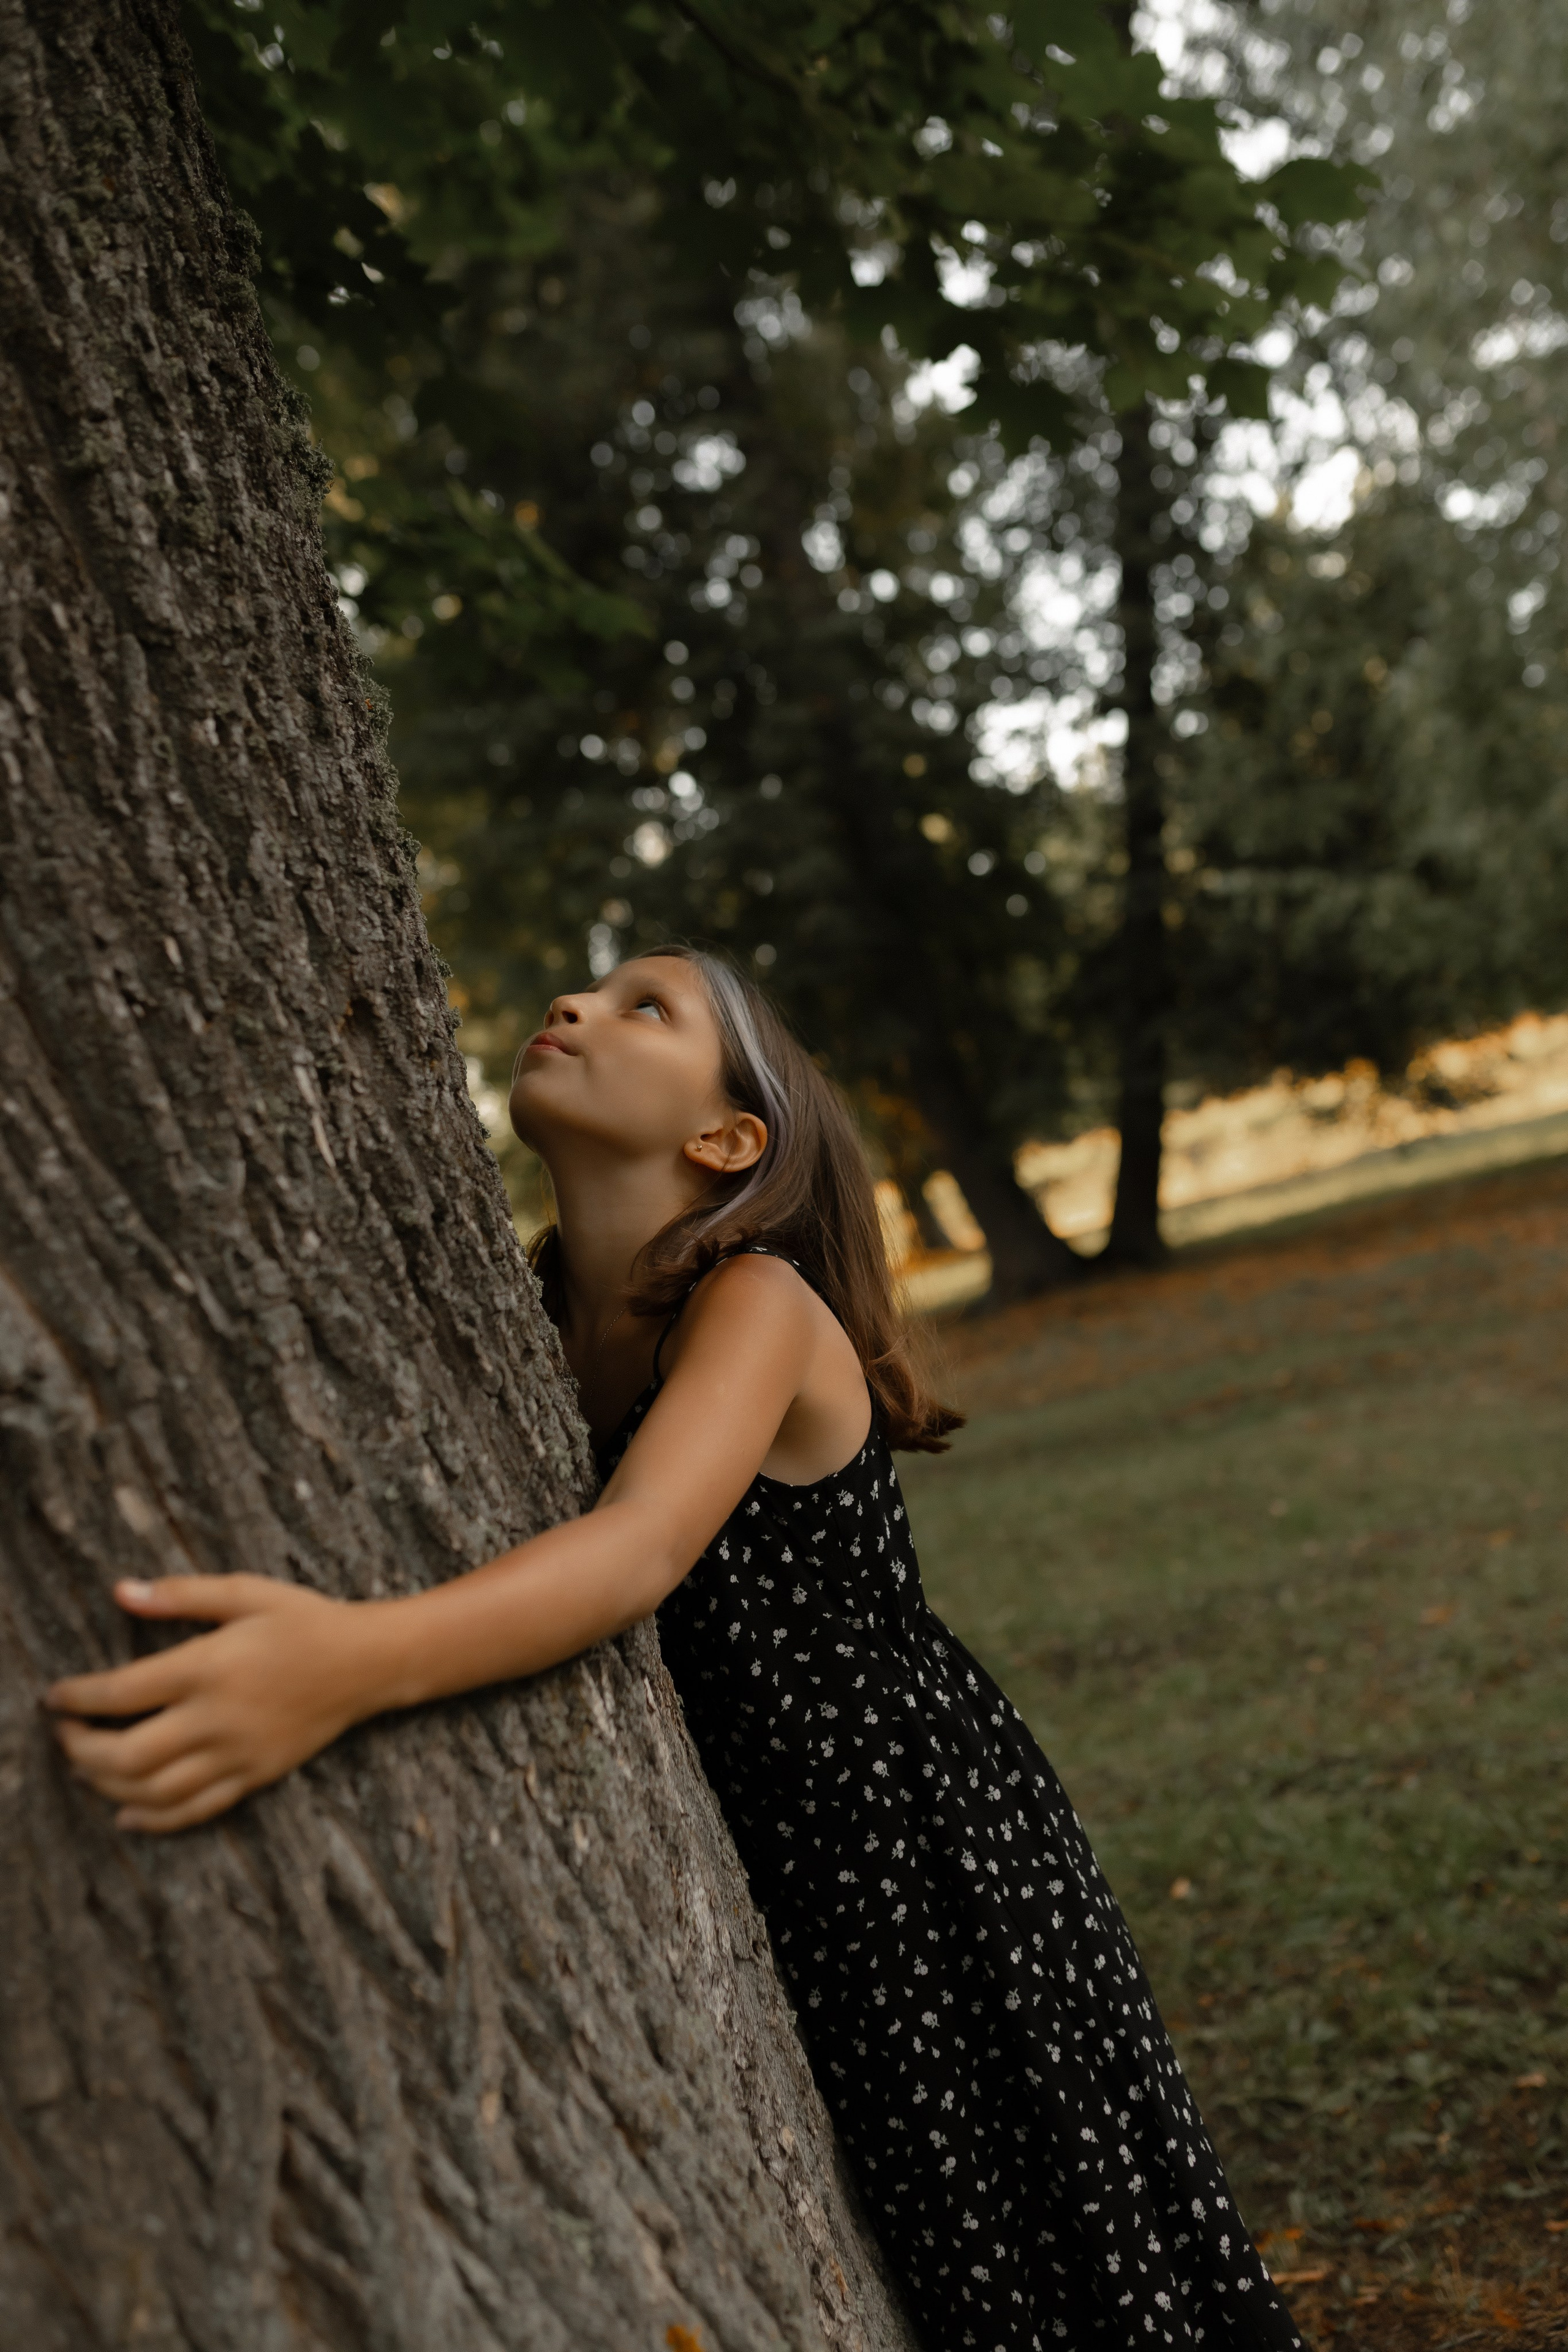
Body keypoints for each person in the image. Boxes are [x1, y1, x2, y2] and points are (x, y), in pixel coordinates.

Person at [50, 944, 1302, 2352]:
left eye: (647, 1007)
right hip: (791, 1840)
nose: (574, 1007)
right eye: (587, 991)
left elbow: (638, 1548)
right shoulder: (532, 1315)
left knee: (1023, 2225)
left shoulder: (754, 1301)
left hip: (904, 1834)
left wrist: (348, 1661)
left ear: (726, 1138)